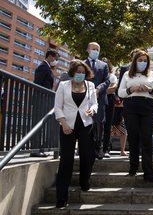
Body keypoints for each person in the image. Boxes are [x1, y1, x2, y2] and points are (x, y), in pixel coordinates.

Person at [54, 60, 98, 208]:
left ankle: (84, 181)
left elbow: (94, 103)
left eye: (83, 72)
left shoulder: (90, 85)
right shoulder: (63, 85)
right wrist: (64, 124)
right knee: (66, 160)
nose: (80, 75)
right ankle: (61, 197)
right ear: (72, 72)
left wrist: (93, 110)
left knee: (87, 155)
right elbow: (58, 107)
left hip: (85, 124)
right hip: (68, 125)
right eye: (78, 72)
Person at [118, 51, 153, 182]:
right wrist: (131, 89)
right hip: (131, 106)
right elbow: (120, 92)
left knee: (147, 139)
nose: (142, 63)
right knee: (134, 138)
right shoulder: (127, 74)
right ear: (134, 61)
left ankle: (148, 172)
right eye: (140, 60)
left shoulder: (152, 74)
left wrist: (149, 89)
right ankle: (133, 166)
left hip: (147, 106)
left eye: (145, 61)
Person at [84, 42, 110, 159]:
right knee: (85, 124)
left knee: (99, 125)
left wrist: (98, 90)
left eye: (98, 49)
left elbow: (107, 81)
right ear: (88, 50)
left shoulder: (103, 65)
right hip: (84, 99)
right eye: (94, 49)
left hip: (100, 99)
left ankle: (97, 149)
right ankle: (84, 149)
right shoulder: (82, 64)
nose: (96, 51)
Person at [32, 48, 60, 157]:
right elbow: (38, 83)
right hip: (40, 99)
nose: (56, 61)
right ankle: (36, 149)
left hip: (44, 99)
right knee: (38, 124)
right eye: (55, 59)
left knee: (42, 124)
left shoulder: (47, 67)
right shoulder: (43, 67)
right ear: (50, 57)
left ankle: (39, 148)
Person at [101, 57, 118, 158]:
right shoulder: (97, 76)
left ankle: (106, 149)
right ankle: (96, 148)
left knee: (108, 126)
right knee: (97, 125)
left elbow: (113, 89)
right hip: (98, 100)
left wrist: (100, 90)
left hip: (109, 100)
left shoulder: (112, 76)